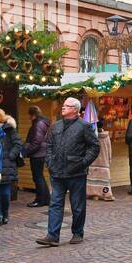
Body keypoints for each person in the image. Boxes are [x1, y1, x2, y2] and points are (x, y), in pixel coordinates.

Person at [36, 97, 100, 247]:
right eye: (63, 105)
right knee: (55, 204)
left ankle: (77, 232)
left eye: (67, 105)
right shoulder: (56, 126)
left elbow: (94, 147)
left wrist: (83, 162)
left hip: (76, 172)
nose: (63, 107)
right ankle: (52, 236)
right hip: (57, 172)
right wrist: (50, 161)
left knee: (77, 205)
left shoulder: (84, 126)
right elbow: (49, 145)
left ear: (75, 109)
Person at [0, 108, 23, 228]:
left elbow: (18, 144)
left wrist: (10, 156)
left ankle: (5, 213)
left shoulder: (8, 129)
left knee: (6, 194)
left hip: (6, 165)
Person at [23, 105, 51, 207]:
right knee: (40, 177)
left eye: (29, 115)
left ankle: (40, 200)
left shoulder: (38, 124)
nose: (28, 117)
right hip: (41, 153)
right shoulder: (42, 122)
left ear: (33, 115)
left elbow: (36, 141)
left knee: (37, 177)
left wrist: (27, 152)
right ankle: (46, 199)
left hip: (37, 154)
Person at [86, 119, 115, 201]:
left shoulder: (91, 136)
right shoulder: (106, 136)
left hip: (93, 161)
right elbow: (109, 149)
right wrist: (109, 159)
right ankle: (105, 194)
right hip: (104, 161)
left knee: (92, 179)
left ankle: (92, 193)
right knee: (104, 180)